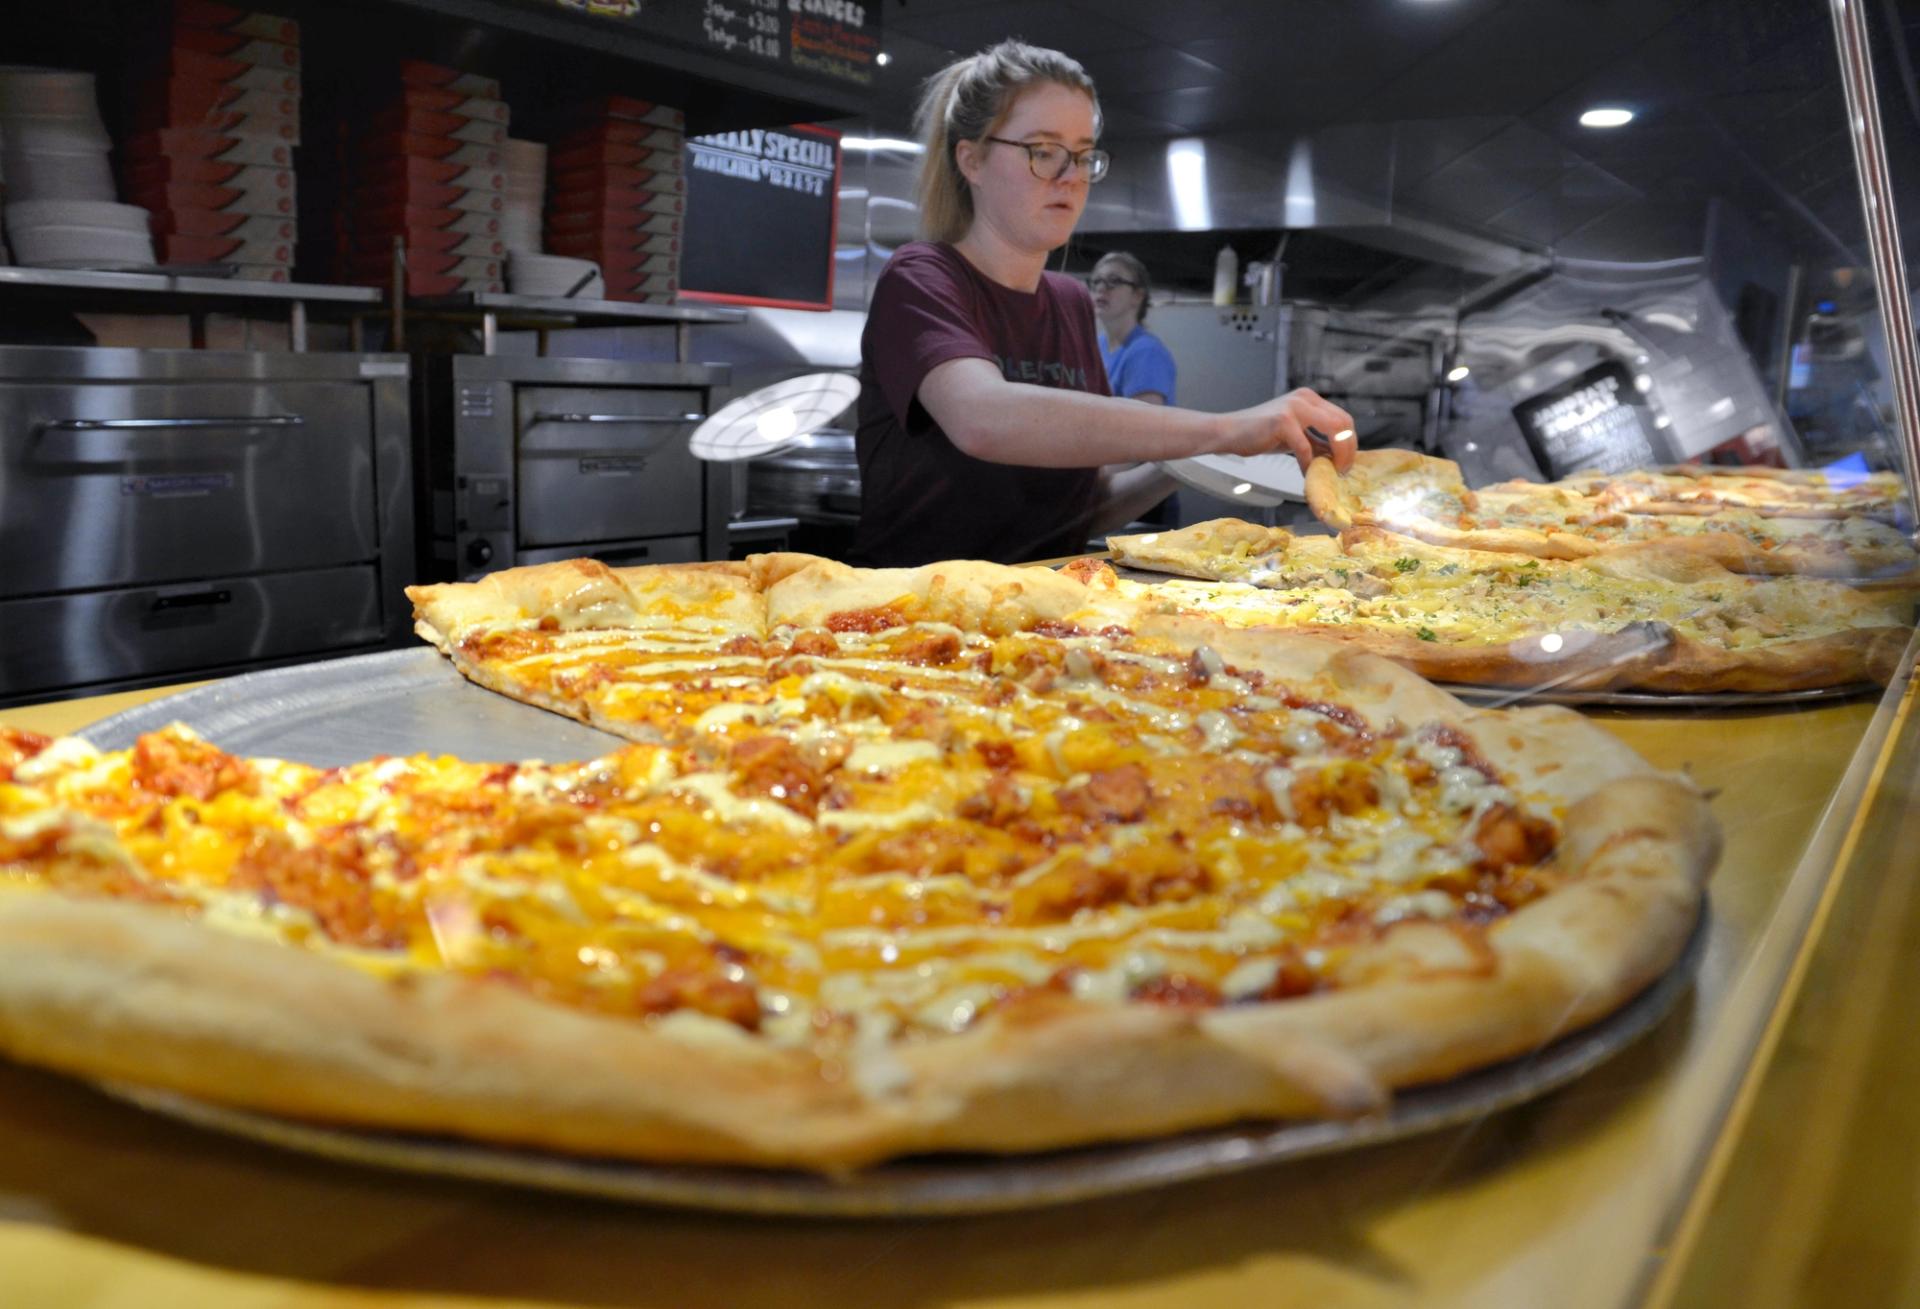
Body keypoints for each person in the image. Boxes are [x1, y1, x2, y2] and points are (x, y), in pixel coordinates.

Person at [852, 39, 1354, 567]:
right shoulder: (922, 277)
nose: (1070, 176)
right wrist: (1229, 428)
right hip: (912, 604)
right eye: (1043, 151)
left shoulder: (1071, 302)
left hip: (1048, 599)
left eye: (1083, 155)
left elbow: (1081, 509)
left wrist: (1208, 454)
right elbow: (982, 417)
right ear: (971, 159)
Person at [1090, 250, 1176, 405]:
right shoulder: (1098, 344)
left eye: (1114, 281)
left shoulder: (1146, 353)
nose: (1101, 288)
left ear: (1137, 296)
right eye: (1097, 281)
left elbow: (1146, 418)